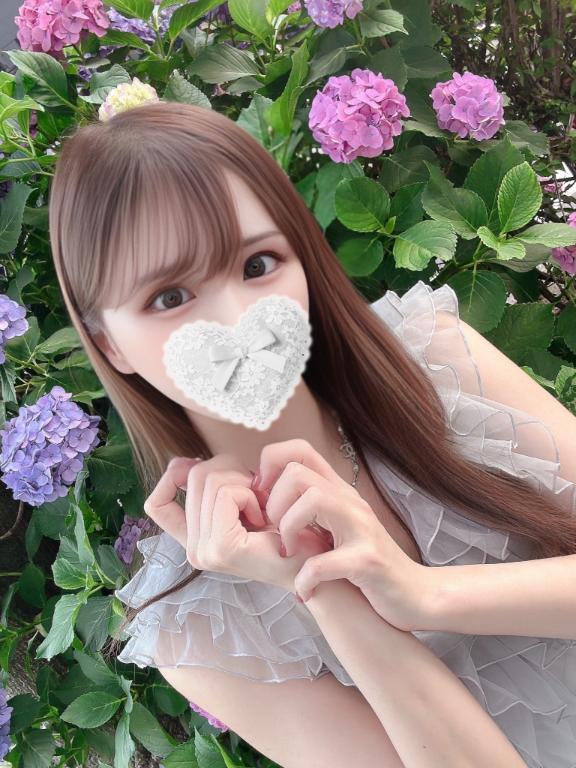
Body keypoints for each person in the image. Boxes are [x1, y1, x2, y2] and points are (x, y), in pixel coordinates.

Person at [47, 100, 576, 768]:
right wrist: (317, 582)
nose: (238, 318)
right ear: (108, 345)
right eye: (169, 298)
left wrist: (424, 594)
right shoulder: (200, 629)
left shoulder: (437, 365)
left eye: (258, 264)